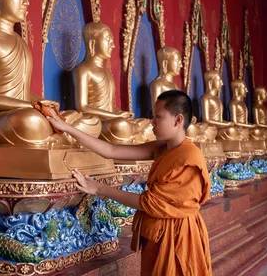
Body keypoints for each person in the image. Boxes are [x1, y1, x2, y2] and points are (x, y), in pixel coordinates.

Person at [46, 90, 212, 275]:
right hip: (158, 234)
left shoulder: (189, 158)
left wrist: (99, 188)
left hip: (179, 237)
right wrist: (66, 127)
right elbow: (111, 150)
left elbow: (149, 203)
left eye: (158, 117)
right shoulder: (161, 148)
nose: (152, 122)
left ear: (178, 119)